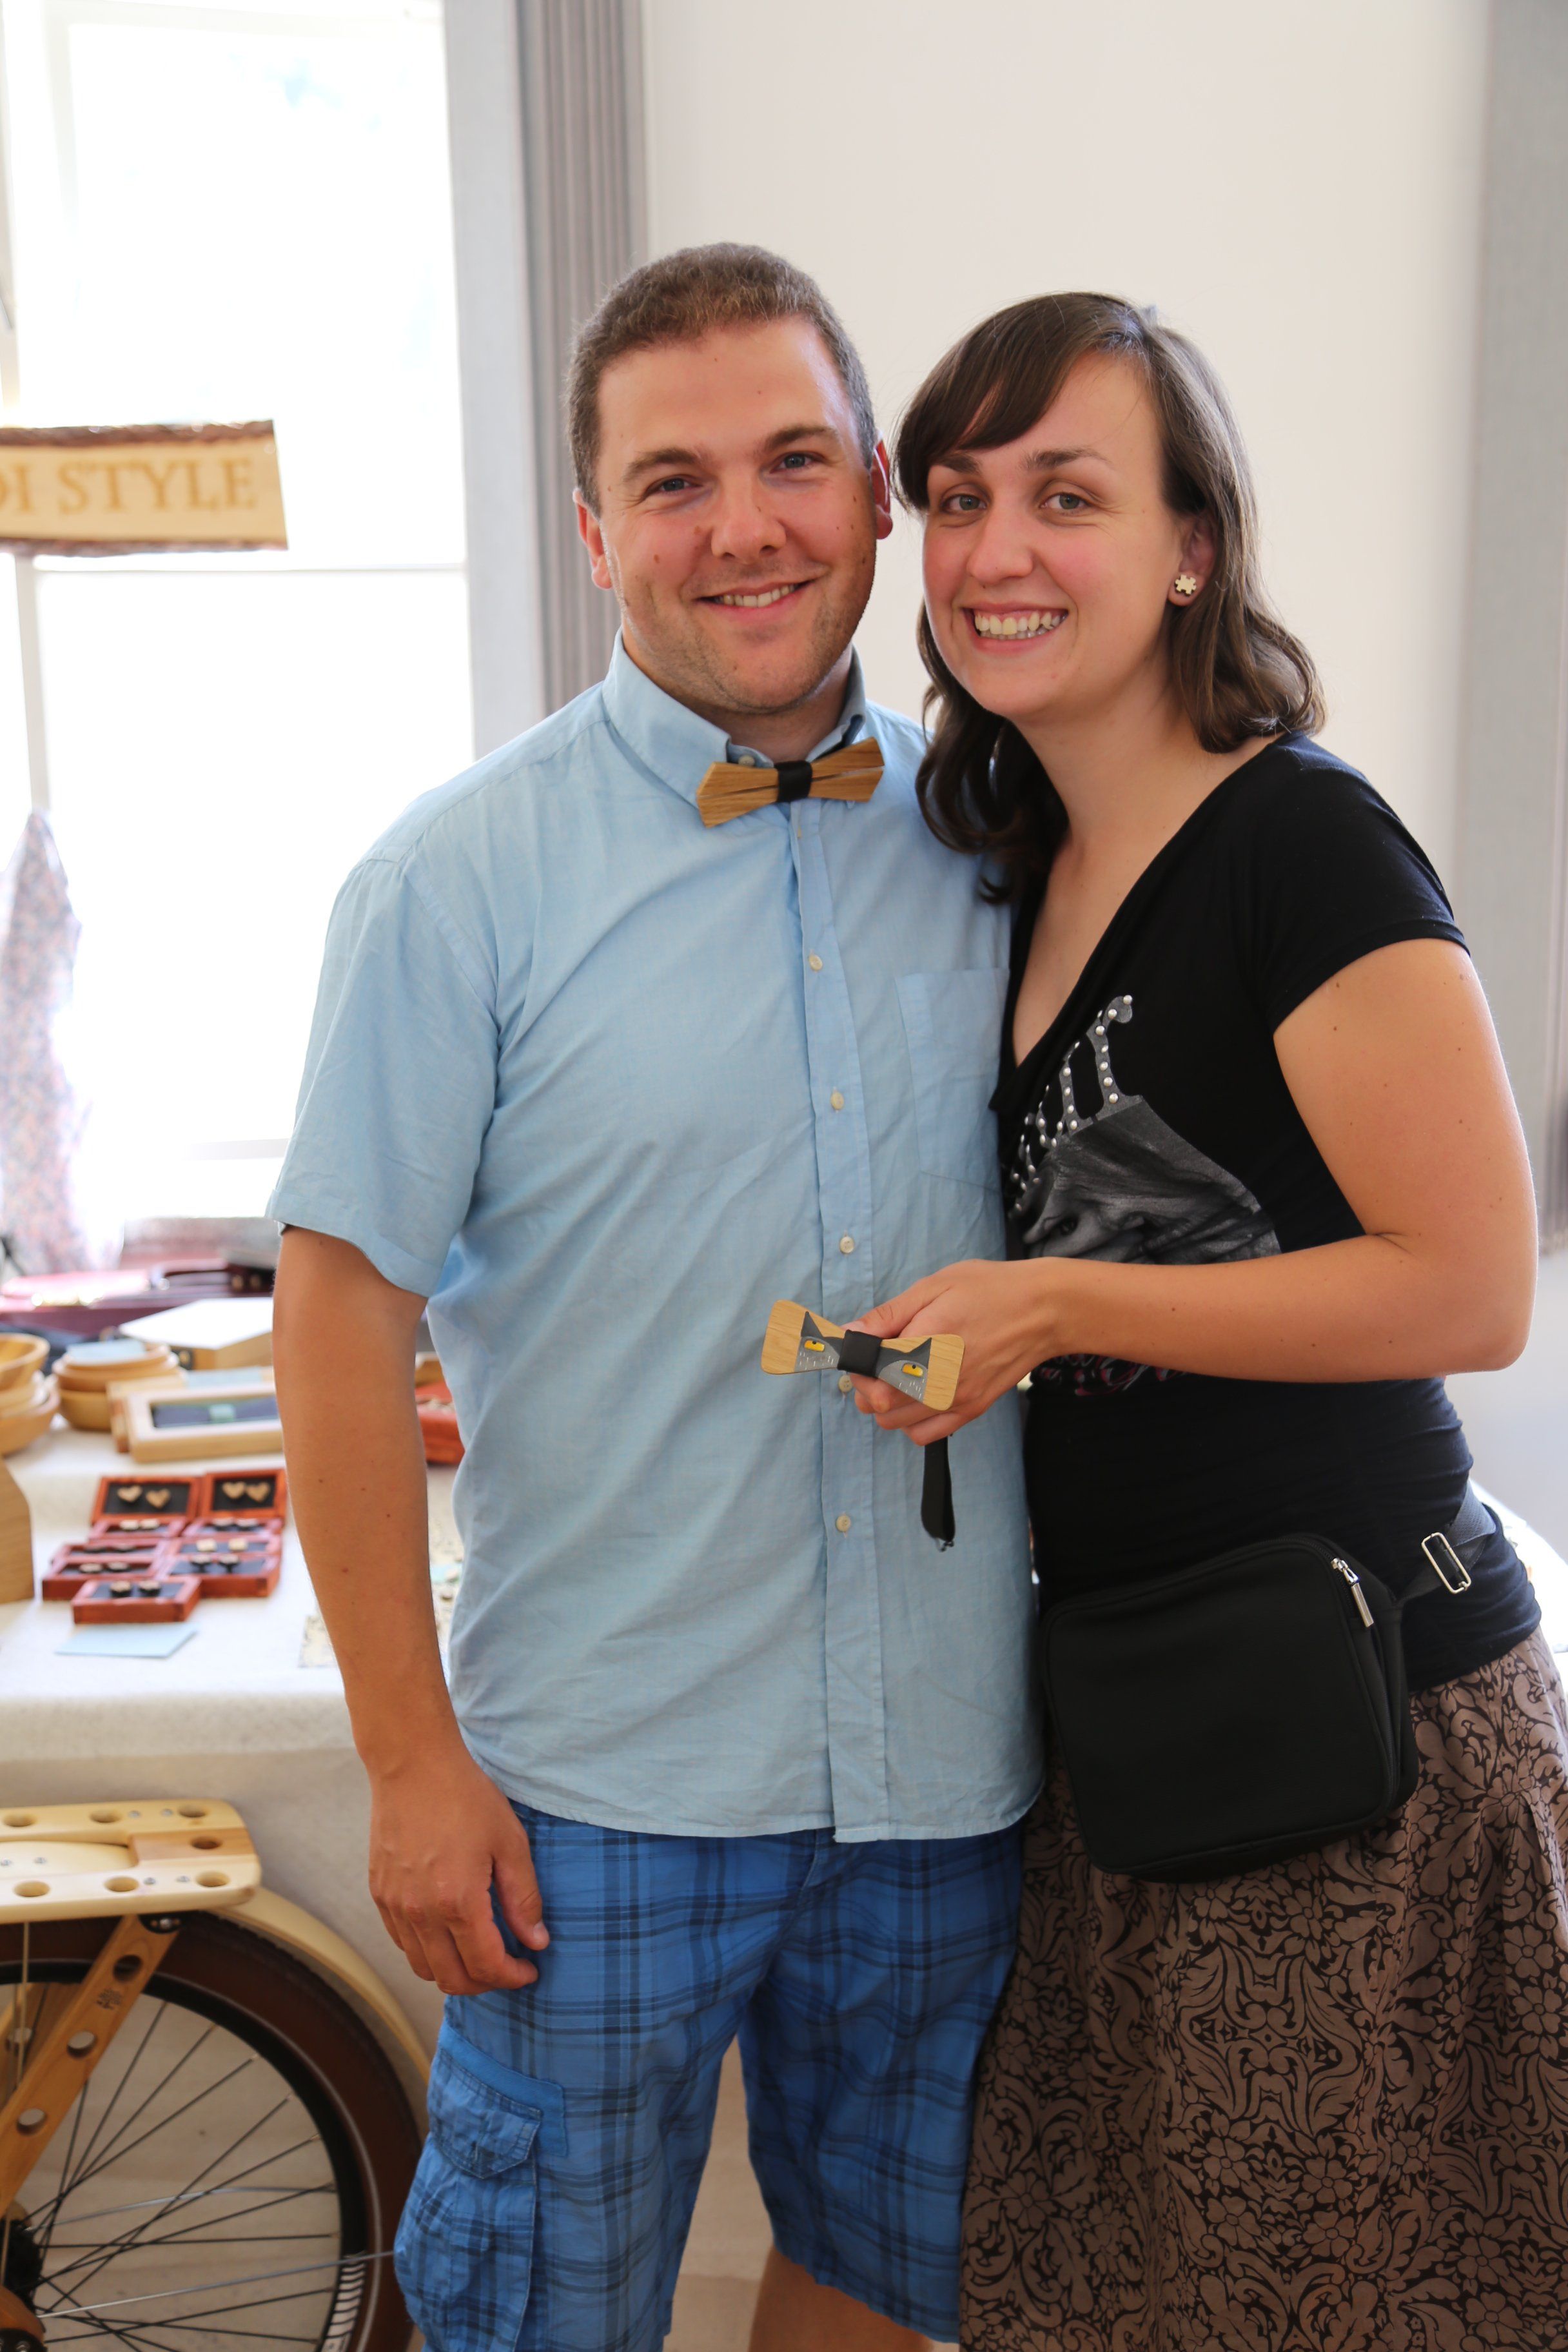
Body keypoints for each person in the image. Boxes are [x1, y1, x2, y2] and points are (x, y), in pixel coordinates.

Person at [268, 244, 1041, 2352]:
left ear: (876, 491)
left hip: (948, 1780)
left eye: (792, 460)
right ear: (597, 533)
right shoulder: (453, 884)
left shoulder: (1015, 837)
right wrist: (407, 1762)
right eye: (673, 481)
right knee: (538, 2315)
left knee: (884, 2288)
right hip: (594, 1795)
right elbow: (337, 1326)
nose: (743, 527)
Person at [847, 291, 1568, 2350]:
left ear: (1192, 546)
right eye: (960, 498)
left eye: (1066, 497)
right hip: (1141, 1730)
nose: (997, 552)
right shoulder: (1017, 864)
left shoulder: (1297, 841)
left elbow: (1473, 1285)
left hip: (1358, 1731)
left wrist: (1055, 1300)